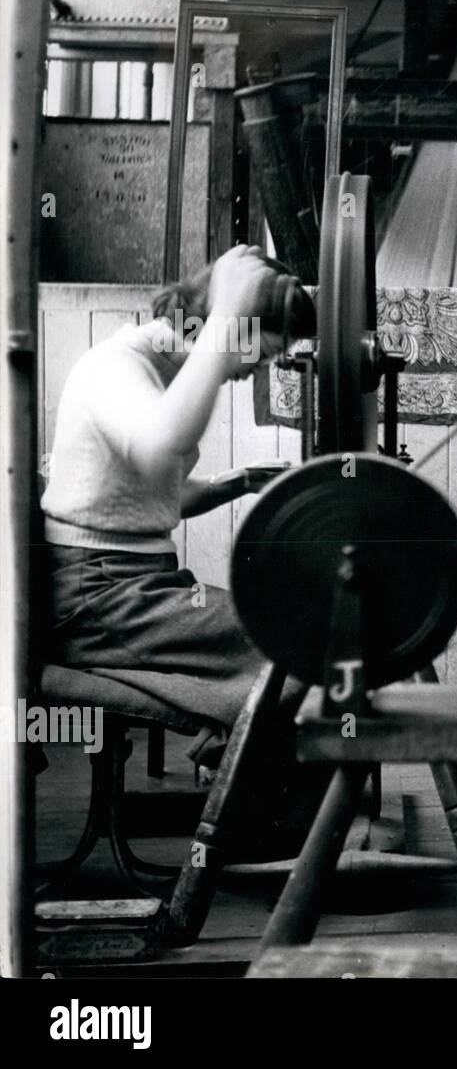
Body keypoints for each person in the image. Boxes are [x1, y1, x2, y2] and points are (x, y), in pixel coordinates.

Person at [40, 245, 313, 765]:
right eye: (260, 353)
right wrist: (229, 318)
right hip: (98, 599)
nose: (256, 371)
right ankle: (245, 795)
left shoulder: (163, 373)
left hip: (129, 586)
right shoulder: (113, 368)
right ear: (225, 326)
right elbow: (162, 451)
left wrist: (241, 481)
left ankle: (241, 765)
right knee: (295, 640)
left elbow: (152, 497)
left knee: (290, 625)